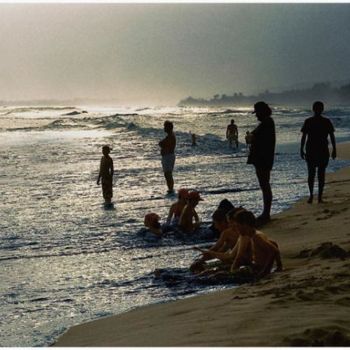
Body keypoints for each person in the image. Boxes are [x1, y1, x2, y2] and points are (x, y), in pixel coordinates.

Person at [300, 101, 336, 204]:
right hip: (322, 150)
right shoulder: (326, 121)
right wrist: (334, 149)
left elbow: (304, 137)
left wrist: (301, 149)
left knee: (311, 174)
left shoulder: (308, 121)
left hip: (311, 149)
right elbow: (332, 136)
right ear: (322, 109)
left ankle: (311, 196)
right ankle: (319, 197)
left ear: (313, 109)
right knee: (321, 174)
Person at [247, 102, 275, 225]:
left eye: (257, 113)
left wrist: (251, 137)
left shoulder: (266, 123)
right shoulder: (267, 123)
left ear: (262, 112)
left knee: (265, 185)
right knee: (265, 185)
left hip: (263, 158)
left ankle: (266, 213)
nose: (256, 116)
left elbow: (257, 139)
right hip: (263, 158)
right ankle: (266, 213)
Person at [159, 120, 176, 193]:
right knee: (167, 173)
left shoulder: (170, 136)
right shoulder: (170, 136)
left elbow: (162, 143)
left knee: (168, 173)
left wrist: (162, 144)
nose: (164, 128)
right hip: (168, 156)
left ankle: (171, 189)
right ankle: (170, 188)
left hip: (168, 156)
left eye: (165, 126)